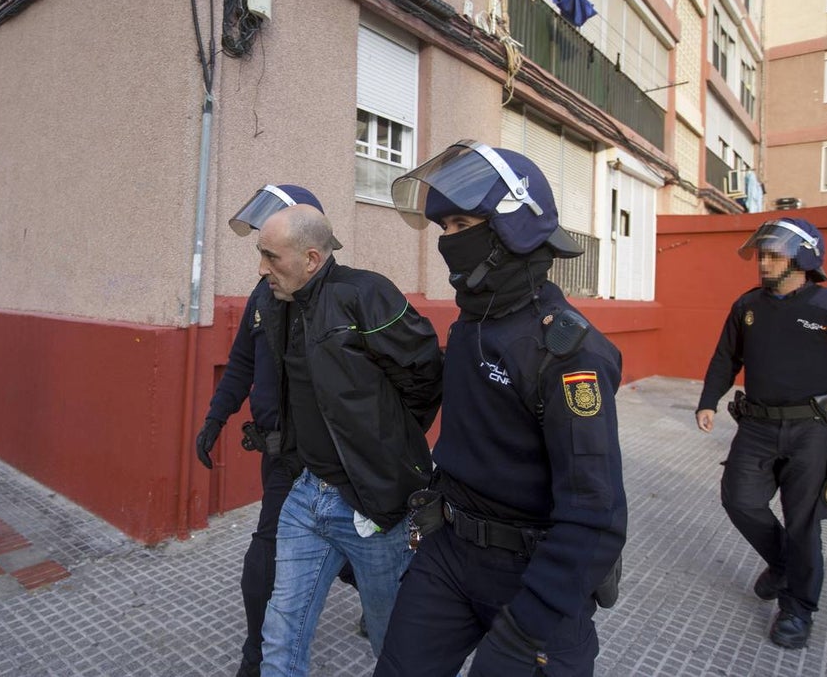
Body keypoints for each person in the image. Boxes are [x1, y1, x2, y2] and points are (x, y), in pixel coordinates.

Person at [376, 140, 627, 677]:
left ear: (509, 229)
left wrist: (526, 626)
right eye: (443, 229)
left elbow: (595, 514)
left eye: (461, 225)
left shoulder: (566, 352)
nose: (448, 242)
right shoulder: (474, 323)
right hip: (449, 554)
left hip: (534, 575)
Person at [255, 203, 443, 677]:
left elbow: (424, 374)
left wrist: (387, 446)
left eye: (272, 257)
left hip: (370, 507)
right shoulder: (279, 303)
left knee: (393, 643)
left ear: (312, 258)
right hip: (306, 494)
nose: (262, 269)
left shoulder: (365, 294)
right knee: (280, 633)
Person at [695, 217, 827, 649]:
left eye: (774, 254)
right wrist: (708, 399)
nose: (763, 262)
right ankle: (784, 562)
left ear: (802, 258)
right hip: (758, 426)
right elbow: (726, 357)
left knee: (803, 524)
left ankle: (798, 609)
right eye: (762, 253)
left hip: (812, 430)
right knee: (739, 499)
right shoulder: (747, 305)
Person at [193, 184, 358, 677]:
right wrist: (214, 419)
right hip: (281, 458)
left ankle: (376, 587)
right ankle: (257, 656)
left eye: (272, 249)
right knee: (269, 554)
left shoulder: (342, 299)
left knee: (349, 540)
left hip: (333, 461)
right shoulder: (262, 298)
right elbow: (243, 363)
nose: (264, 263)